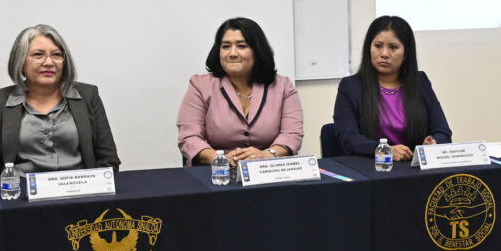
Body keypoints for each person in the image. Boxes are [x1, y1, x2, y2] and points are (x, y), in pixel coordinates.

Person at [0, 24, 120, 181]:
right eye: (38, 55)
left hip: (80, 194)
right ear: (20, 61)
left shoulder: (88, 96)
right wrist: (8, 197)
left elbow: (108, 160)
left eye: (56, 55)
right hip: (21, 198)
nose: (49, 62)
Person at [177, 17, 304, 166]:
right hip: (216, 173)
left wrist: (267, 155)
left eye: (241, 46)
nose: (232, 53)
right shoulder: (200, 85)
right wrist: (220, 159)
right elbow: (189, 137)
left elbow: (292, 134)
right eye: (225, 46)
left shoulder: (283, 86)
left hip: (268, 170)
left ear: (257, 51)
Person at [333, 15, 452, 161]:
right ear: (368, 48)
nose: (384, 54)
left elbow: (443, 131)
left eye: (393, 47)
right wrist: (385, 151)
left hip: (415, 170)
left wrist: (434, 144)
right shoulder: (351, 87)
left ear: (406, 54)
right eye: (378, 46)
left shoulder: (420, 82)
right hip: (372, 169)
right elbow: (349, 139)